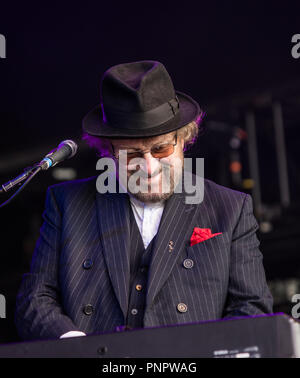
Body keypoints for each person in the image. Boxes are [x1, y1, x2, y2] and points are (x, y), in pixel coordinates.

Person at [15, 60, 273, 341]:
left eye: (161, 149)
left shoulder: (231, 209)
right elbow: (35, 300)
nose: (149, 168)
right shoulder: (66, 203)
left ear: (183, 139)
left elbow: (251, 308)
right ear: (110, 152)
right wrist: (75, 347)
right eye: (132, 155)